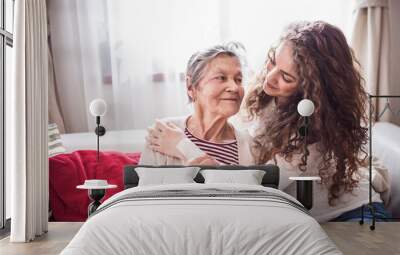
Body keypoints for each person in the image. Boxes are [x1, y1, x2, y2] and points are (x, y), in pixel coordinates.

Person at [144, 21, 391, 222]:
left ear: (311, 89)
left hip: (353, 215)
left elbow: (255, 186)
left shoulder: (312, 128)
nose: (269, 79)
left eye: (285, 76)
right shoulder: (264, 99)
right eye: (272, 61)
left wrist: (182, 146)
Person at [139, 42, 254, 166]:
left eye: (239, 80)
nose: (235, 87)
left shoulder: (250, 145)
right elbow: (146, 185)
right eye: (221, 77)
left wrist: (184, 147)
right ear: (191, 86)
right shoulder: (162, 132)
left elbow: (244, 186)